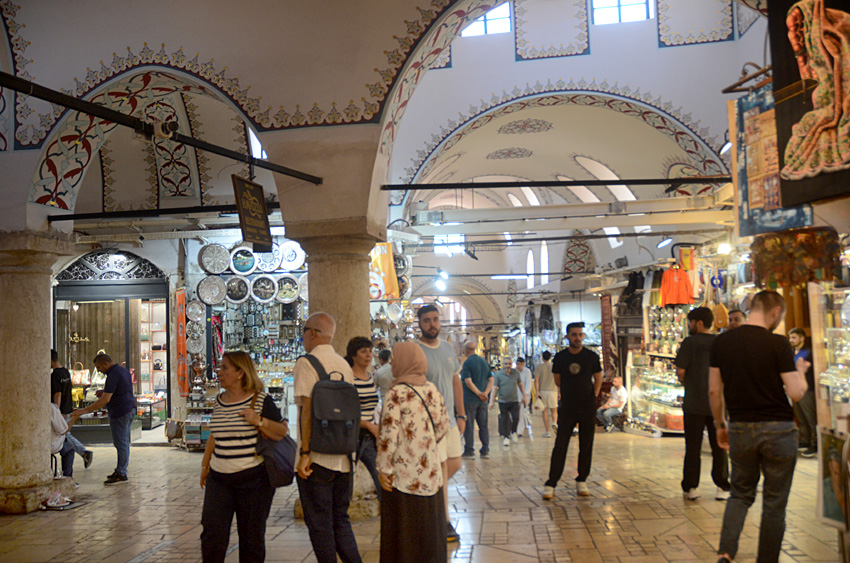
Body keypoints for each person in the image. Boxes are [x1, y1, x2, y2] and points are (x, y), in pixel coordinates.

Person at [710, 290, 809, 563]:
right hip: (779, 429)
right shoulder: (778, 344)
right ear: (775, 311)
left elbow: (714, 392)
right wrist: (800, 371)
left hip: (740, 426)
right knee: (774, 504)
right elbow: (796, 393)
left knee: (740, 494)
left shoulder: (722, 343)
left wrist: (720, 424)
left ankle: (726, 553)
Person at [199, 351, 287, 562]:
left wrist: (259, 421)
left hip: (254, 481)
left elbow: (282, 432)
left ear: (240, 373)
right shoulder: (219, 401)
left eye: (224, 368)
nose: (219, 372)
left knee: (251, 539)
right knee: (212, 534)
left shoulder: (260, 400)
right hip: (219, 480)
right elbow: (215, 434)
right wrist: (205, 466)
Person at [294, 313, 362, 563]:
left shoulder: (307, 362)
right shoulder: (344, 365)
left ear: (312, 333)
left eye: (304, 332)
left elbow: (307, 411)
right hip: (344, 458)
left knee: (320, 526)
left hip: (317, 459)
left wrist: (304, 454)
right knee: (341, 522)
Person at [377, 341, 450, 563]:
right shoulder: (432, 390)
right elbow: (444, 425)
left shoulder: (396, 393)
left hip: (403, 478)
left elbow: (387, 435)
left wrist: (384, 468)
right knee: (429, 535)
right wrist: (423, 444)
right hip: (431, 476)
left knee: (404, 538)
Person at [416, 304, 467, 543]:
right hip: (429, 424)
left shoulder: (448, 347)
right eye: (427, 320)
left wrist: (462, 413)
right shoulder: (415, 350)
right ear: (420, 323)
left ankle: (428, 490)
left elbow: (455, 380)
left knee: (455, 463)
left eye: (435, 319)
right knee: (443, 468)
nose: (432, 324)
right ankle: (445, 521)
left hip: (451, 421)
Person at [675, 307, 730, 501]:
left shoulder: (689, 342)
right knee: (720, 446)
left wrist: (688, 380)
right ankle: (723, 486)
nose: (689, 326)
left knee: (693, 447)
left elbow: (681, 371)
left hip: (694, 403)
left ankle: (691, 487)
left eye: (690, 322)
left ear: (698, 323)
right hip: (718, 405)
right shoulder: (721, 342)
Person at [542, 322, 602, 500]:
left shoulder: (591, 356)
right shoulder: (560, 358)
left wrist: (594, 395)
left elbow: (598, 377)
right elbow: (558, 381)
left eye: (580, 335)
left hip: (587, 406)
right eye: (574, 335)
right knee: (560, 444)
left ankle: (582, 479)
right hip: (568, 406)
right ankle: (551, 482)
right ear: (567, 337)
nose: (577, 338)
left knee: (586, 443)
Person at [70, 353, 135, 485]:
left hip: (120, 412)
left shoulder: (112, 375)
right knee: (123, 443)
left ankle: (121, 473)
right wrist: (104, 390)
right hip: (129, 409)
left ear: (105, 364)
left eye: (99, 367)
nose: (98, 370)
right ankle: (121, 470)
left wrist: (85, 410)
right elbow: (119, 389)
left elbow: (105, 400)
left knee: (121, 443)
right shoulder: (122, 371)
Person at [345, 336, 382, 501]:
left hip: (369, 436)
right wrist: (367, 424)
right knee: (346, 483)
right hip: (352, 435)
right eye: (363, 352)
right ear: (354, 355)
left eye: (370, 351)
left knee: (381, 477)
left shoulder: (370, 378)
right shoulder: (348, 379)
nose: (369, 355)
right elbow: (344, 412)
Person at [51, 349, 92, 475]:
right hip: (67, 408)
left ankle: (83, 452)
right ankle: (83, 453)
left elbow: (58, 394)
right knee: (65, 434)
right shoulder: (66, 372)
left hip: (61, 411)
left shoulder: (55, 375)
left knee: (64, 434)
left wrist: (56, 412)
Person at [460, 340, 493, 460]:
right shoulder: (484, 361)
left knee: (469, 425)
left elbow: (468, 381)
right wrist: (485, 393)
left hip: (470, 399)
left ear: (466, 350)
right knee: (483, 425)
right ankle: (485, 450)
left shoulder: (467, 363)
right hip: (483, 401)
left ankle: (469, 451)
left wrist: (479, 393)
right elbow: (491, 379)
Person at [789, 327, 817, 458]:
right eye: (790, 337)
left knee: (810, 417)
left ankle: (814, 443)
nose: (791, 340)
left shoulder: (808, 352)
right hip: (795, 388)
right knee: (800, 417)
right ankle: (804, 440)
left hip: (807, 389)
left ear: (802, 338)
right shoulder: (791, 352)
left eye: (794, 337)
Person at [490, 357, 525, 447]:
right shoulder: (498, 375)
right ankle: (506, 437)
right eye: (506, 364)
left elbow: (520, 384)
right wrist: (492, 401)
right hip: (503, 401)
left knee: (516, 417)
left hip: (514, 400)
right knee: (505, 419)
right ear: (503, 365)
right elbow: (494, 388)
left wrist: (524, 396)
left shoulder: (515, 373)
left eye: (509, 364)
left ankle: (513, 432)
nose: (508, 366)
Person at [535, 351, 558, 438]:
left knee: (544, 411)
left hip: (543, 390)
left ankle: (547, 431)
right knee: (554, 410)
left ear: (542, 357)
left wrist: (537, 392)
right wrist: (559, 391)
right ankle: (555, 422)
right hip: (553, 390)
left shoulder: (539, 367)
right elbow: (558, 379)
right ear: (550, 357)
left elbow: (537, 380)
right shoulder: (554, 366)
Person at [515, 357, 533, 437]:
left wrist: (525, 395)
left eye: (521, 364)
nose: (519, 366)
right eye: (518, 364)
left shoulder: (527, 371)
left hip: (524, 396)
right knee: (516, 413)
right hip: (515, 395)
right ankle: (515, 429)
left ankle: (519, 431)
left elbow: (528, 384)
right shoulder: (514, 372)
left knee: (521, 413)